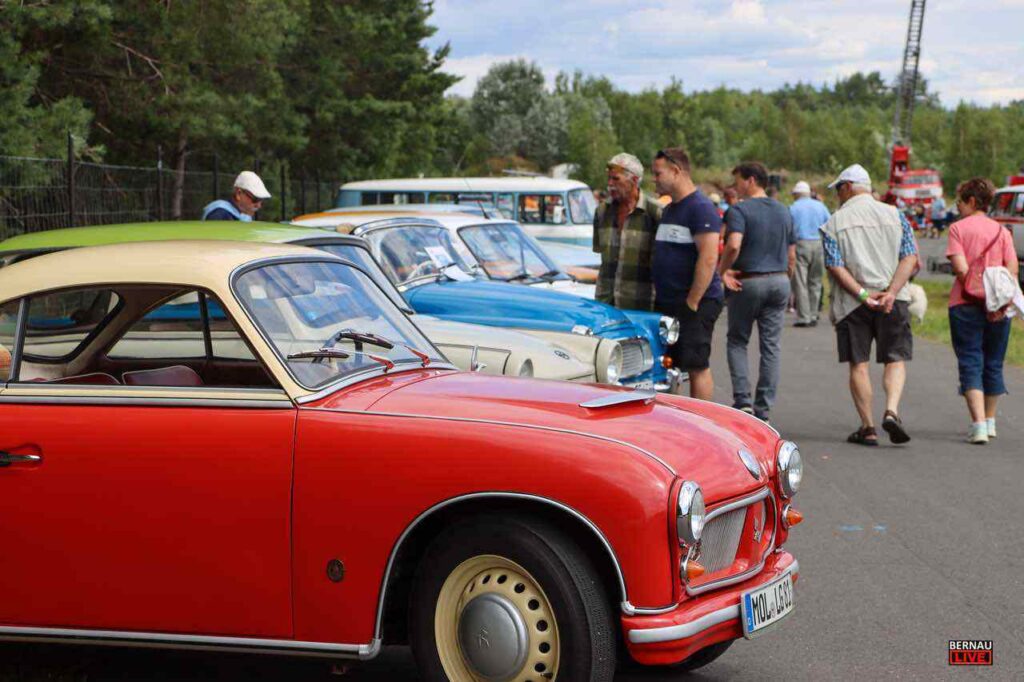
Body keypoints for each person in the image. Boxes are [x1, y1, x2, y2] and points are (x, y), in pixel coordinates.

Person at [819, 164, 918, 446]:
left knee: (858, 363)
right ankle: (892, 410)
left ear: (848, 186)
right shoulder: (896, 215)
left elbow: (835, 266)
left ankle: (868, 426)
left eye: (838, 188)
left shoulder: (833, 223)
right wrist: (891, 292)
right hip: (893, 299)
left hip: (853, 303)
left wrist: (864, 295)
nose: (838, 194)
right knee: (895, 358)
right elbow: (910, 257)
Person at [718, 162, 796, 422]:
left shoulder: (739, 210)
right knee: (771, 346)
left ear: (751, 181)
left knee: (738, 340)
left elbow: (733, 245)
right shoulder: (784, 210)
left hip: (748, 281)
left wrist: (722, 271)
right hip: (779, 280)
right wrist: (788, 280)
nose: (735, 187)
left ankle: (743, 401)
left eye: (738, 181)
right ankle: (763, 407)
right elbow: (791, 253)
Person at [945, 178, 1018, 444]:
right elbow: (1012, 269)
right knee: (994, 362)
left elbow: (960, 269)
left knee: (970, 360)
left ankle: (977, 425)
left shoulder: (957, 229)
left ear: (972, 201)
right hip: (997, 307)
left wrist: (977, 289)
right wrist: (997, 297)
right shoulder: (1002, 232)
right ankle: (990, 421)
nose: (958, 208)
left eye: (960, 202)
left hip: (965, 304)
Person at [650, 148, 725, 400]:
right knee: (672, 366)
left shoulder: (701, 208)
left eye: (658, 173)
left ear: (676, 171)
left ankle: (702, 421)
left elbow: (709, 257)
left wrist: (692, 302)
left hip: (695, 302)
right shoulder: (670, 209)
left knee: (696, 364)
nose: (655, 179)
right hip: (670, 302)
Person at [593, 153, 662, 311]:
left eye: (616, 179)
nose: (610, 184)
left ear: (635, 180)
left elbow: (662, 265)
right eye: (609, 178)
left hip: (641, 306)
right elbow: (602, 256)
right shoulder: (602, 212)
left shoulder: (655, 213)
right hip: (606, 305)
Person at [789, 181, 830, 327]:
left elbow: (788, 228)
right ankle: (813, 314)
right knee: (815, 281)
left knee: (800, 281)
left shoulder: (793, 208)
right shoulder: (820, 206)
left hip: (801, 244)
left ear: (796, 194)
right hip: (818, 243)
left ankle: (804, 317)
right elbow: (829, 224)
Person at [202, 171, 272, 222]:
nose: (259, 205)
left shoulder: (243, 216)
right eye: (255, 199)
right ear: (239, 194)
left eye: (261, 200)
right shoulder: (219, 213)